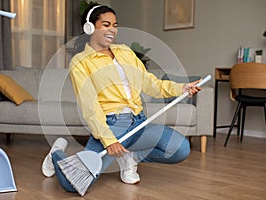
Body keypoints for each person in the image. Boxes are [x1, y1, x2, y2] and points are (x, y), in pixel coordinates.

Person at [41, 4, 201, 193]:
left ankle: (130, 158)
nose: (112, 30)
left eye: (115, 25)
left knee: (180, 149)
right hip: (111, 126)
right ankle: (56, 154)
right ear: (90, 28)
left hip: (138, 122)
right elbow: (89, 106)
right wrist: (109, 140)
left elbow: (150, 83)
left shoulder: (125, 52)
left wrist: (181, 88)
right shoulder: (81, 62)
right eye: (106, 24)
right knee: (74, 184)